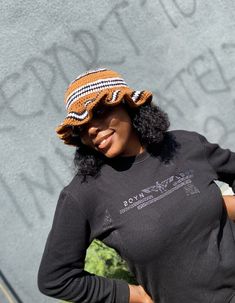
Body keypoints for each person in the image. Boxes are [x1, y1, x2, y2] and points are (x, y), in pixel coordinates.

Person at [38, 68, 235, 303]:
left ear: (128, 106)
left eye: (99, 112)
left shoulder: (184, 145)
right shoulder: (84, 195)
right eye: (81, 127)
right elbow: (56, 278)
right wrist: (134, 295)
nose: (91, 129)